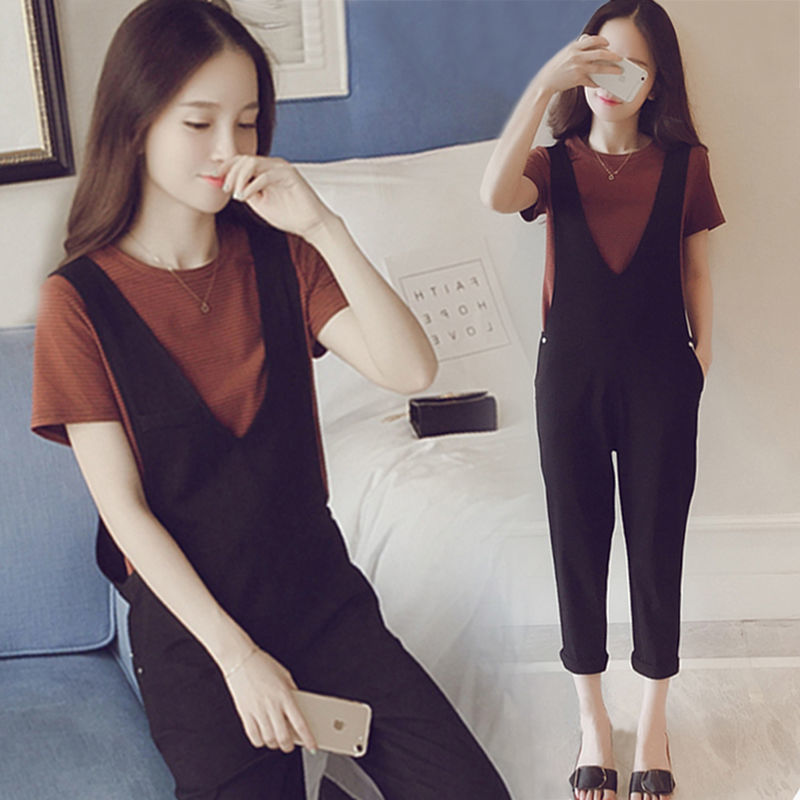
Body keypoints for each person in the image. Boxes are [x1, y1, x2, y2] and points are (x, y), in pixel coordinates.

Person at [30, 2, 513, 798]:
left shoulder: (280, 256)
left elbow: (411, 370)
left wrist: (322, 225)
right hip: (196, 634)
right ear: (135, 125)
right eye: (199, 123)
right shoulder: (79, 301)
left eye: (248, 122)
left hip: (322, 604)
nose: (230, 149)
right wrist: (239, 658)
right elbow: (125, 514)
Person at [481, 1, 724, 799]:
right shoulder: (554, 165)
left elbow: (696, 269)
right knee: (576, 547)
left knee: (657, 548)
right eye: (598, 60)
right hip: (569, 383)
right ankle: (592, 719)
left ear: (657, 82)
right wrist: (545, 84)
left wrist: (701, 358)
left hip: (662, 381)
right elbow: (493, 193)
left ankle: (652, 720)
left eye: (631, 66)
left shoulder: (686, 165)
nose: (612, 80)